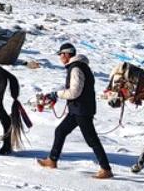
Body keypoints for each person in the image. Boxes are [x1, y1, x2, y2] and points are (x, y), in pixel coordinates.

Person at [37, 43, 113, 179]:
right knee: (60, 131)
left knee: (91, 139)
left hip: (81, 109)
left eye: (61, 54)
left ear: (67, 54)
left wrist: (57, 95)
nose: (60, 57)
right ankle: (52, 160)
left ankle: (106, 169)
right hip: (78, 109)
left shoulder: (76, 69)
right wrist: (56, 93)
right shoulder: (79, 67)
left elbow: (74, 92)